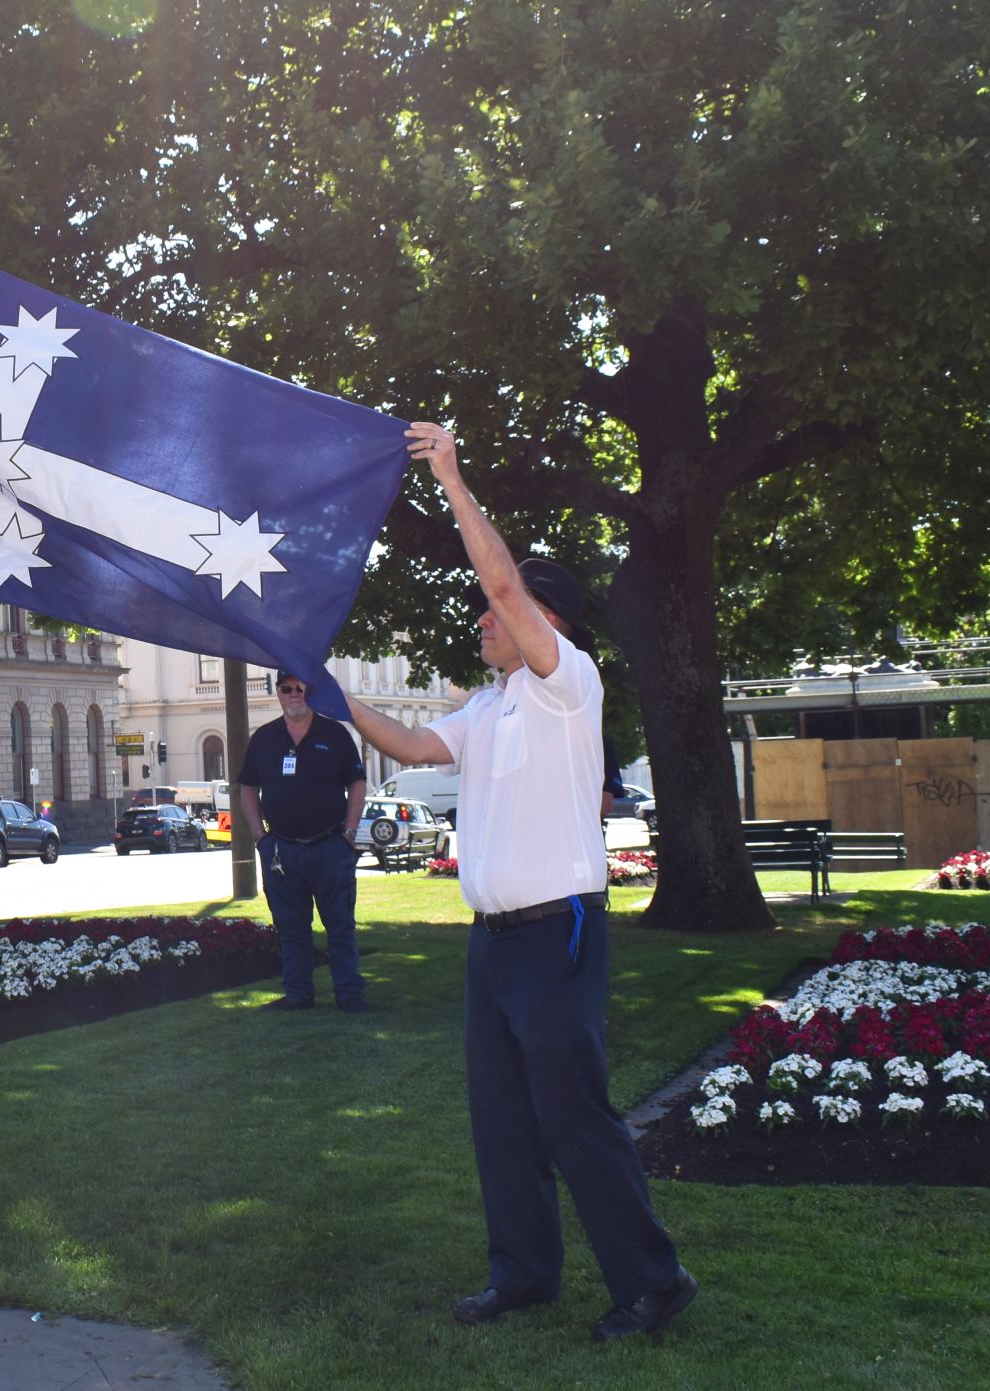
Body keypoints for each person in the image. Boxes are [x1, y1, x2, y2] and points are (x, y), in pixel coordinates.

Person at [343, 422, 696, 1344]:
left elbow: (502, 579)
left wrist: (453, 481)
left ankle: (654, 1282)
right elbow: (415, 745)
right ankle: (526, 1275)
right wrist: (327, 690)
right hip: (493, 945)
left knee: (575, 1119)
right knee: (502, 1123)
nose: (484, 617)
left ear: (550, 623)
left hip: (555, 936)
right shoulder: (491, 705)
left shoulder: (566, 681)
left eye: (500, 611)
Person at [237, 670, 368, 1012]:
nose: (295, 694)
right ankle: (298, 995)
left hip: (330, 847)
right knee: (291, 928)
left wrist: (349, 835)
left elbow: (357, 783)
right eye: (287, 689)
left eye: (301, 688)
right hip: (281, 850)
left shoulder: (335, 734)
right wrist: (260, 837)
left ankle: (349, 996)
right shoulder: (264, 738)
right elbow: (247, 787)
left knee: (340, 926)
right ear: (277, 693)